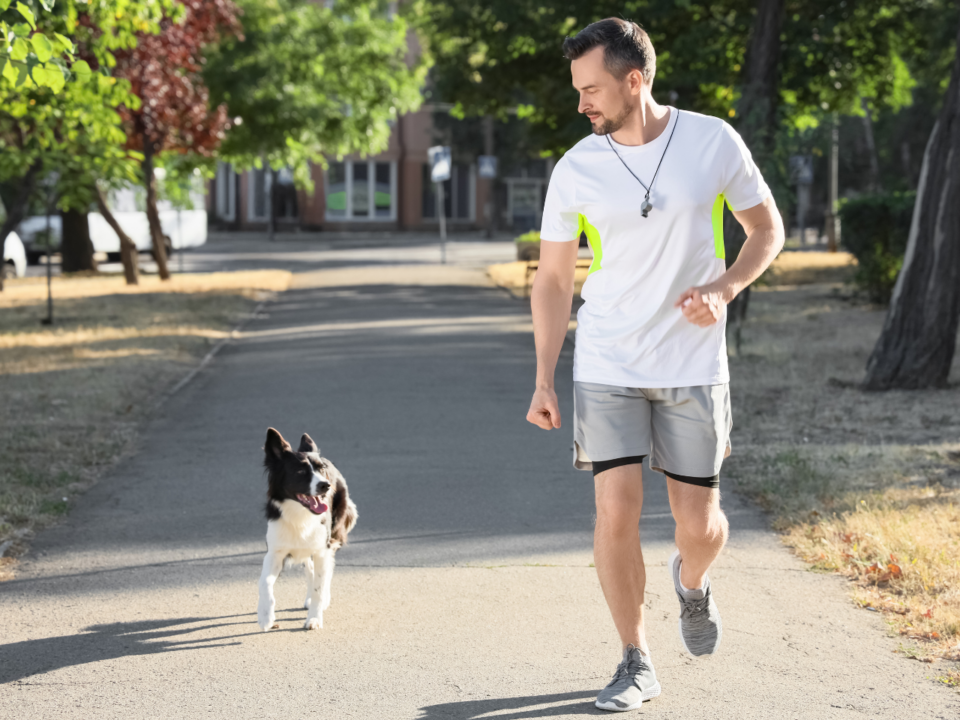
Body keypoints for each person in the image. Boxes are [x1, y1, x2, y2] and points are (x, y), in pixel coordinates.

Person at [525, 17, 785, 713]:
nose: (581, 103)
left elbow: (767, 229)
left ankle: (691, 584)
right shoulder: (576, 167)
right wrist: (546, 377)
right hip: (608, 357)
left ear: (633, 79)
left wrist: (726, 287)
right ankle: (634, 659)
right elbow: (551, 280)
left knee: (698, 526)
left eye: (592, 89)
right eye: (578, 90)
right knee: (615, 509)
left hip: (693, 362)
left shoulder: (712, 141)